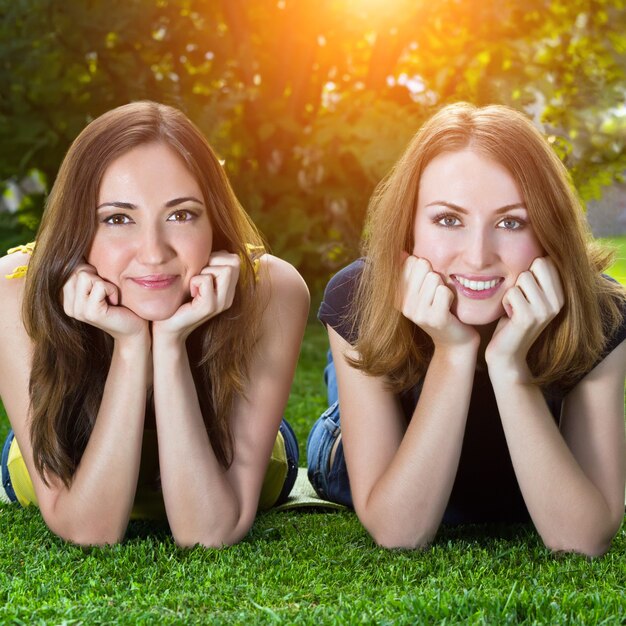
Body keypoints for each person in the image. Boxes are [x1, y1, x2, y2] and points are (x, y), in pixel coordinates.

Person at [307, 102, 626, 556]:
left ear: (548, 230)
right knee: (338, 443)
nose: (478, 256)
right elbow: (399, 532)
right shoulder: (357, 295)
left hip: (527, 472)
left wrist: (509, 366)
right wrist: (453, 353)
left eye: (511, 222)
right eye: (448, 220)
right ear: (410, 226)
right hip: (374, 442)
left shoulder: (602, 309)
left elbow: (582, 539)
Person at [0, 101, 309, 547]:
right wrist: (129, 346)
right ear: (78, 227)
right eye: (118, 219)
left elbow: (211, 533)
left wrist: (169, 343)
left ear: (212, 218)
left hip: (233, 442)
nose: (152, 252)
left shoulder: (272, 288)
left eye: (181, 214)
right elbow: (88, 531)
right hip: (69, 436)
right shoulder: (15, 290)